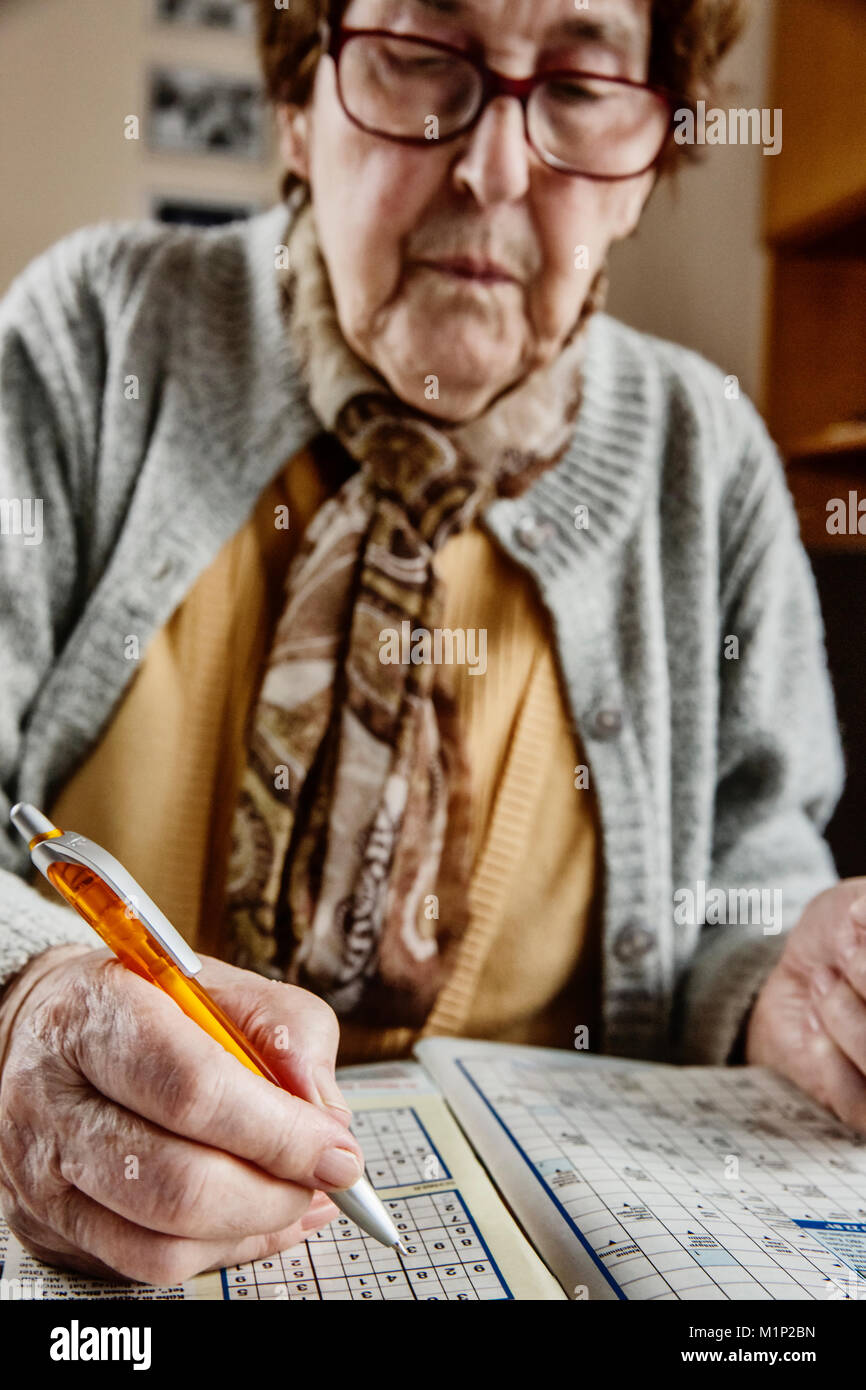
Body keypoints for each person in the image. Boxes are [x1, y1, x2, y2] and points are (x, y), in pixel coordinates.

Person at [0, 0, 863, 1287]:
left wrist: (787, 977)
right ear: (299, 104)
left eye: (576, 85)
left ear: (647, 161)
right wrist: (22, 1003)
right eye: (417, 55)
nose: (492, 165)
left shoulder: (710, 457)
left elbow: (749, 874)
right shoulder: (95, 338)